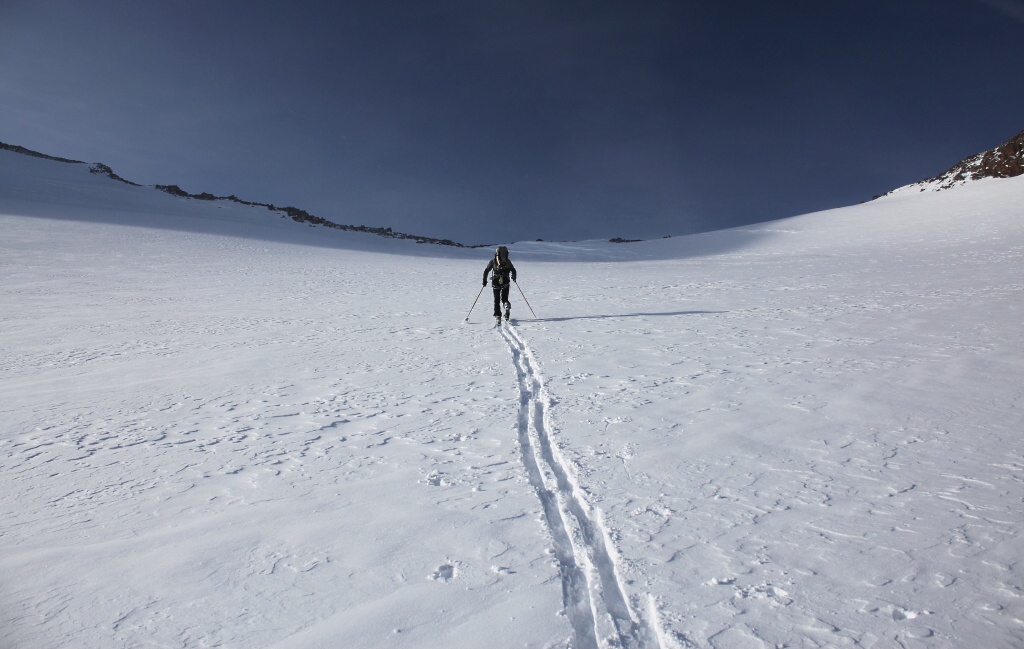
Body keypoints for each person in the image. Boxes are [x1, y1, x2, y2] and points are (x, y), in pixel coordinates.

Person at [483, 246, 517, 321]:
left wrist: (484, 281)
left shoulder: (493, 261)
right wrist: (514, 277)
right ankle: (506, 305)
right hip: (505, 280)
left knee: (496, 299)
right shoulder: (508, 261)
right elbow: (513, 270)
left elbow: (486, 271)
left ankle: (498, 315)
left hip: (496, 280)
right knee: (504, 298)